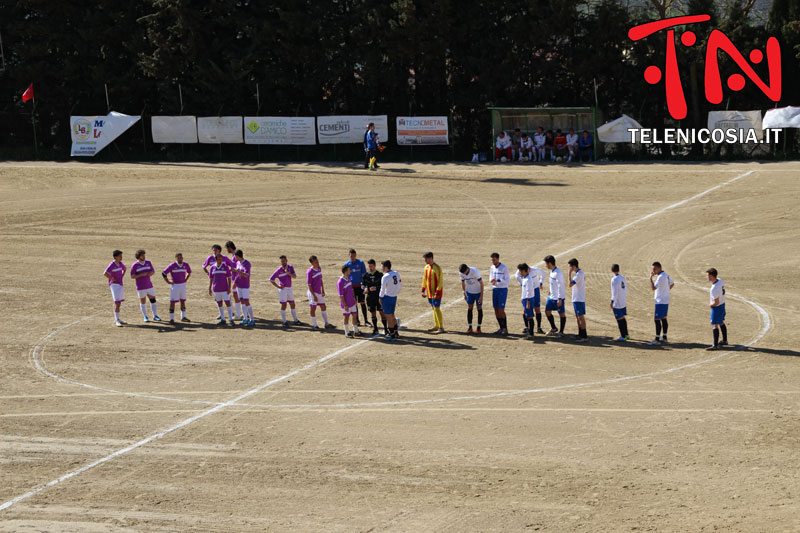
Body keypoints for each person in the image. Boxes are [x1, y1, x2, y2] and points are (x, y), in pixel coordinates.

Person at [270, 255, 300, 328]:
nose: (283, 262)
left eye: (284, 261)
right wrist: (278, 286)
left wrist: (288, 273)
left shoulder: (290, 267)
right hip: (283, 290)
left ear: (287, 260)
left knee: (292, 304)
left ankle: (295, 320)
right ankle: (284, 321)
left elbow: (294, 276)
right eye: (282, 261)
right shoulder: (279, 270)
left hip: (289, 288)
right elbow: (271, 279)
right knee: (284, 305)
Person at [130, 249, 160, 323]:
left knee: (153, 300)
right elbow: (132, 276)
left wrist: (151, 273)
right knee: (143, 302)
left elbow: (153, 271)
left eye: (144, 255)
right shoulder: (135, 265)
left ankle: (155, 315)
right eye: (142, 255)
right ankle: (145, 316)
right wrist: (141, 275)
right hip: (141, 287)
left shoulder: (148, 262)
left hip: (149, 285)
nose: (144, 256)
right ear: (138, 256)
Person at [162, 252, 192, 325]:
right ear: (176, 258)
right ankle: (171, 319)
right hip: (175, 286)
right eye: (178, 257)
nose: (180, 259)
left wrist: (186, 279)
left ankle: (183, 317)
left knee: (183, 300)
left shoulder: (185, 265)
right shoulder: (172, 265)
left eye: (181, 257)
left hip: (182, 285)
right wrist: (168, 281)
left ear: (182, 258)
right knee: (172, 302)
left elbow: (189, 272)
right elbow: (163, 273)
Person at [648, 261, 674, 345]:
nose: (653, 271)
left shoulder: (660, 277)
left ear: (659, 268)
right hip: (665, 300)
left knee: (657, 319)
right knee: (663, 318)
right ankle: (664, 337)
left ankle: (657, 339)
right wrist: (666, 291)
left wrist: (650, 279)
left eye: (654, 269)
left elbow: (653, 288)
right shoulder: (665, 275)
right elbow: (672, 284)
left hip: (660, 301)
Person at [307, 255, 335, 331]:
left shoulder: (319, 268)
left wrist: (323, 290)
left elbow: (320, 280)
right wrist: (314, 295)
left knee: (323, 307)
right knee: (313, 308)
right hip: (313, 292)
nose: (317, 263)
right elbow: (309, 285)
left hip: (319, 292)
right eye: (316, 262)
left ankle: (326, 323)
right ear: (312, 263)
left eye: (317, 261)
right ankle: (315, 325)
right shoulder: (310, 272)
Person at [344, 249, 369, 327]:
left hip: (360, 286)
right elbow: (345, 276)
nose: (353, 257)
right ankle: (357, 320)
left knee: (362, 302)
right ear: (349, 255)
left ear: (356, 255)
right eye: (351, 256)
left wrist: (365, 285)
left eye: (354, 256)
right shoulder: (347, 264)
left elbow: (364, 275)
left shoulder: (360, 263)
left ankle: (366, 320)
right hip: (352, 287)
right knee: (354, 304)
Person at [362, 259, 387, 336]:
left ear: (375, 265)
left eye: (371, 266)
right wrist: (365, 288)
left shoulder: (380, 275)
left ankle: (386, 329)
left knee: (382, 312)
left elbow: (384, 286)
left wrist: (376, 288)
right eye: (369, 266)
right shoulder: (366, 275)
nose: (370, 268)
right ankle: (375, 328)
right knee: (373, 313)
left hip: (378, 297)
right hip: (370, 298)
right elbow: (362, 285)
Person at [208, 254, 234, 326]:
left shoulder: (225, 266)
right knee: (219, 303)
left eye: (221, 259)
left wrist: (229, 288)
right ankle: (223, 319)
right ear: (215, 260)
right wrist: (210, 288)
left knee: (228, 303)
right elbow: (211, 278)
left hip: (225, 289)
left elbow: (229, 277)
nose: (220, 260)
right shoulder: (212, 268)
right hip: (216, 289)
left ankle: (231, 319)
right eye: (219, 259)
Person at [421, 251, 444, 333]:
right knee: (433, 308)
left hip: (436, 293)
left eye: (426, 259)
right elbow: (424, 279)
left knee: (437, 308)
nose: (425, 260)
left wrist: (437, 291)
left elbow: (440, 281)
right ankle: (436, 325)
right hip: (429, 293)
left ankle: (441, 327)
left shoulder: (437, 268)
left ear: (430, 258)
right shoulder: (426, 267)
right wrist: (423, 290)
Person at [379, 260, 403, 341]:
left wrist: (380, 298)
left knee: (389, 317)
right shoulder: (396, 273)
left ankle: (392, 335)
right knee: (392, 315)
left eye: (382, 266)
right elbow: (400, 284)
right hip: (394, 297)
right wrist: (396, 292)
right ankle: (396, 333)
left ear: (386, 267)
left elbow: (382, 289)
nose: (381, 268)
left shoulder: (385, 277)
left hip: (387, 298)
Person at [543, 255, 566, 337]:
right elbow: (553, 284)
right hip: (551, 296)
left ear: (549, 263)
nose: (546, 265)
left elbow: (561, 286)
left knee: (561, 314)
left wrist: (560, 298)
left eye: (546, 263)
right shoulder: (552, 271)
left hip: (558, 298)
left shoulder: (558, 273)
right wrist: (550, 292)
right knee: (547, 311)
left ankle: (561, 332)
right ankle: (553, 328)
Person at [706, 268, 728, 350]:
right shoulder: (720, 280)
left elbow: (716, 302)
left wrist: (711, 305)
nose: (707, 277)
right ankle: (725, 340)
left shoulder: (714, 289)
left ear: (712, 276)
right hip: (723, 304)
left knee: (714, 325)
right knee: (721, 322)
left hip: (717, 307)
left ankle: (715, 345)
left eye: (708, 275)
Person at [103, 250, 126, 327]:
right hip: (114, 285)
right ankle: (116, 320)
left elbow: (125, 269)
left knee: (119, 302)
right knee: (117, 302)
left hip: (120, 284)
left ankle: (118, 319)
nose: (121, 257)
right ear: (115, 257)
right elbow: (105, 273)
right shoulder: (112, 264)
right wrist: (111, 278)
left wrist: (122, 276)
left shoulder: (120, 264)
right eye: (120, 256)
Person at [459, 264, 484, 334]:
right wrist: (464, 292)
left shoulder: (475, 271)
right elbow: (463, 282)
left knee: (479, 307)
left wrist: (481, 296)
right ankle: (470, 327)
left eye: (465, 272)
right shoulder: (461, 273)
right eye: (463, 273)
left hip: (478, 292)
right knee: (470, 307)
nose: (464, 274)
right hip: (469, 292)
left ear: (467, 269)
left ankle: (479, 328)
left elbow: (481, 283)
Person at [489, 253, 510, 335]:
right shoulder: (492, 267)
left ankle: (505, 328)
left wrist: (498, 280)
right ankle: (501, 328)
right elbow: (490, 277)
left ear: (498, 259)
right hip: (495, 290)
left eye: (494, 260)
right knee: (496, 309)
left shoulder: (504, 268)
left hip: (502, 290)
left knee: (501, 309)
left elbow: (507, 280)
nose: (493, 261)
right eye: (492, 260)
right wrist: (492, 280)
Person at [568, 258, 588, 342]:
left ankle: (584, 336)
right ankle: (580, 334)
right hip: (577, 298)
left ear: (573, 266)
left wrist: (569, 274)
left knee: (580, 317)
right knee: (578, 317)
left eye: (570, 267)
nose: (569, 268)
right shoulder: (579, 273)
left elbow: (570, 284)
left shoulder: (579, 274)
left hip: (578, 299)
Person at [338, 265, 361, 338]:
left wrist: (354, 298)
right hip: (346, 304)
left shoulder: (348, 278)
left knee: (354, 315)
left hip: (352, 302)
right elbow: (341, 295)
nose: (350, 271)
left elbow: (351, 290)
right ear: (345, 272)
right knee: (346, 317)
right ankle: (347, 332)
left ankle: (356, 331)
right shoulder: (340, 282)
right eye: (349, 270)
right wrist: (345, 305)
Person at [234, 249, 254, 327]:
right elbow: (237, 275)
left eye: (235, 256)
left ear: (238, 256)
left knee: (246, 301)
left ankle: (252, 319)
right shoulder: (238, 262)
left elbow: (246, 275)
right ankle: (245, 318)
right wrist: (235, 282)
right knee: (241, 301)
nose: (235, 258)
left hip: (245, 285)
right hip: (239, 285)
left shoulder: (247, 263)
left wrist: (238, 271)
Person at [225, 241, 244, 321]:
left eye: (227, 248)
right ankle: (244, 313)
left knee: (237, 297)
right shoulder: (235, 255)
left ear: (229, 247)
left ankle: (238, 315)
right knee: (241, 297)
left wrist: (235, 281)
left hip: (236, 279)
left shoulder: (235, 256)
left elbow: (237, 268)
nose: (227, 250)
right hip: (237, 278)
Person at [610, 264, 630, 342]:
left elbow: (614, 292)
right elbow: (626, 288)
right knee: (623, 318)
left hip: (617, 302)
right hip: (623, 300)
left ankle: (623, 335)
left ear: (611, 270)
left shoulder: (614, 279)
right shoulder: (623, 277)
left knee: (619, 319)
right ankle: (626, 334)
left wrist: (612, 301)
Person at [517, 263, 537, 339]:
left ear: (525, 271)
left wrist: (528, 302)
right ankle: (529, 331)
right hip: (525, 299)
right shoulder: (525, 278)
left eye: (521, 271)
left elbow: (529, 291)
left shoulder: (528, 279)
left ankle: (531, 334)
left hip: (528, 299)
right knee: (526, 314)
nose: (520, 272)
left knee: (530, 317)